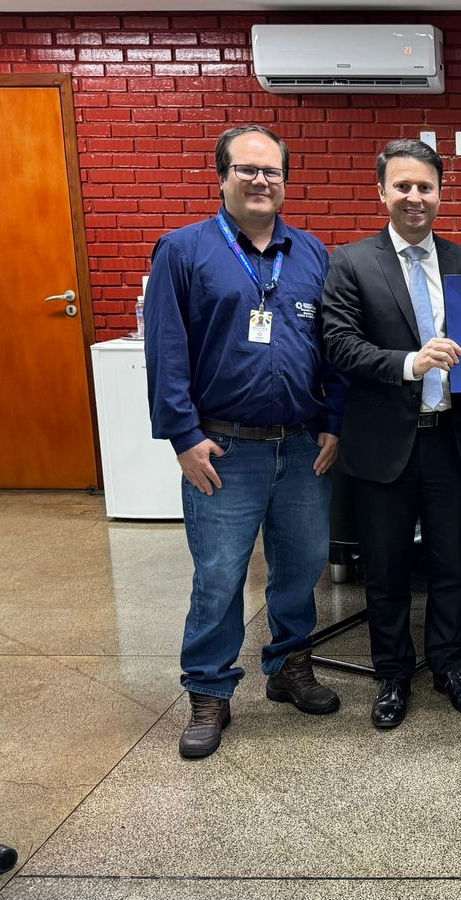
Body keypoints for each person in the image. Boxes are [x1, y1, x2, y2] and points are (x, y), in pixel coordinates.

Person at [145, 124, 347, 759]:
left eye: (272, 171)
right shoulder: (183, 251)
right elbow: (166, 350)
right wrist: (183, 435)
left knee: (303, 566)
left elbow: (333, 348)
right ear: (221, 176)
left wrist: (335, 420)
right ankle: (209, 689)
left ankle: (290, 666)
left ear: (285, 180)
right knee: (219, 574)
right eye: (247, 169)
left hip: (303, 445)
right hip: (224, 449)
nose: (261, 180)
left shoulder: (311, 253)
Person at [319, 139, 461, 730]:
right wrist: (410, 363)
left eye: (425, 186)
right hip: (383, 443)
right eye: (403, 186)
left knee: (452, 564)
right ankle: (393, 674)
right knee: (387, 569)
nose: (415, 197)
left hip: (452, 439)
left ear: (442, 193)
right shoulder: (351, 262)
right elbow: (339, 344)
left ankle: (448, 666)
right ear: (382, 192)